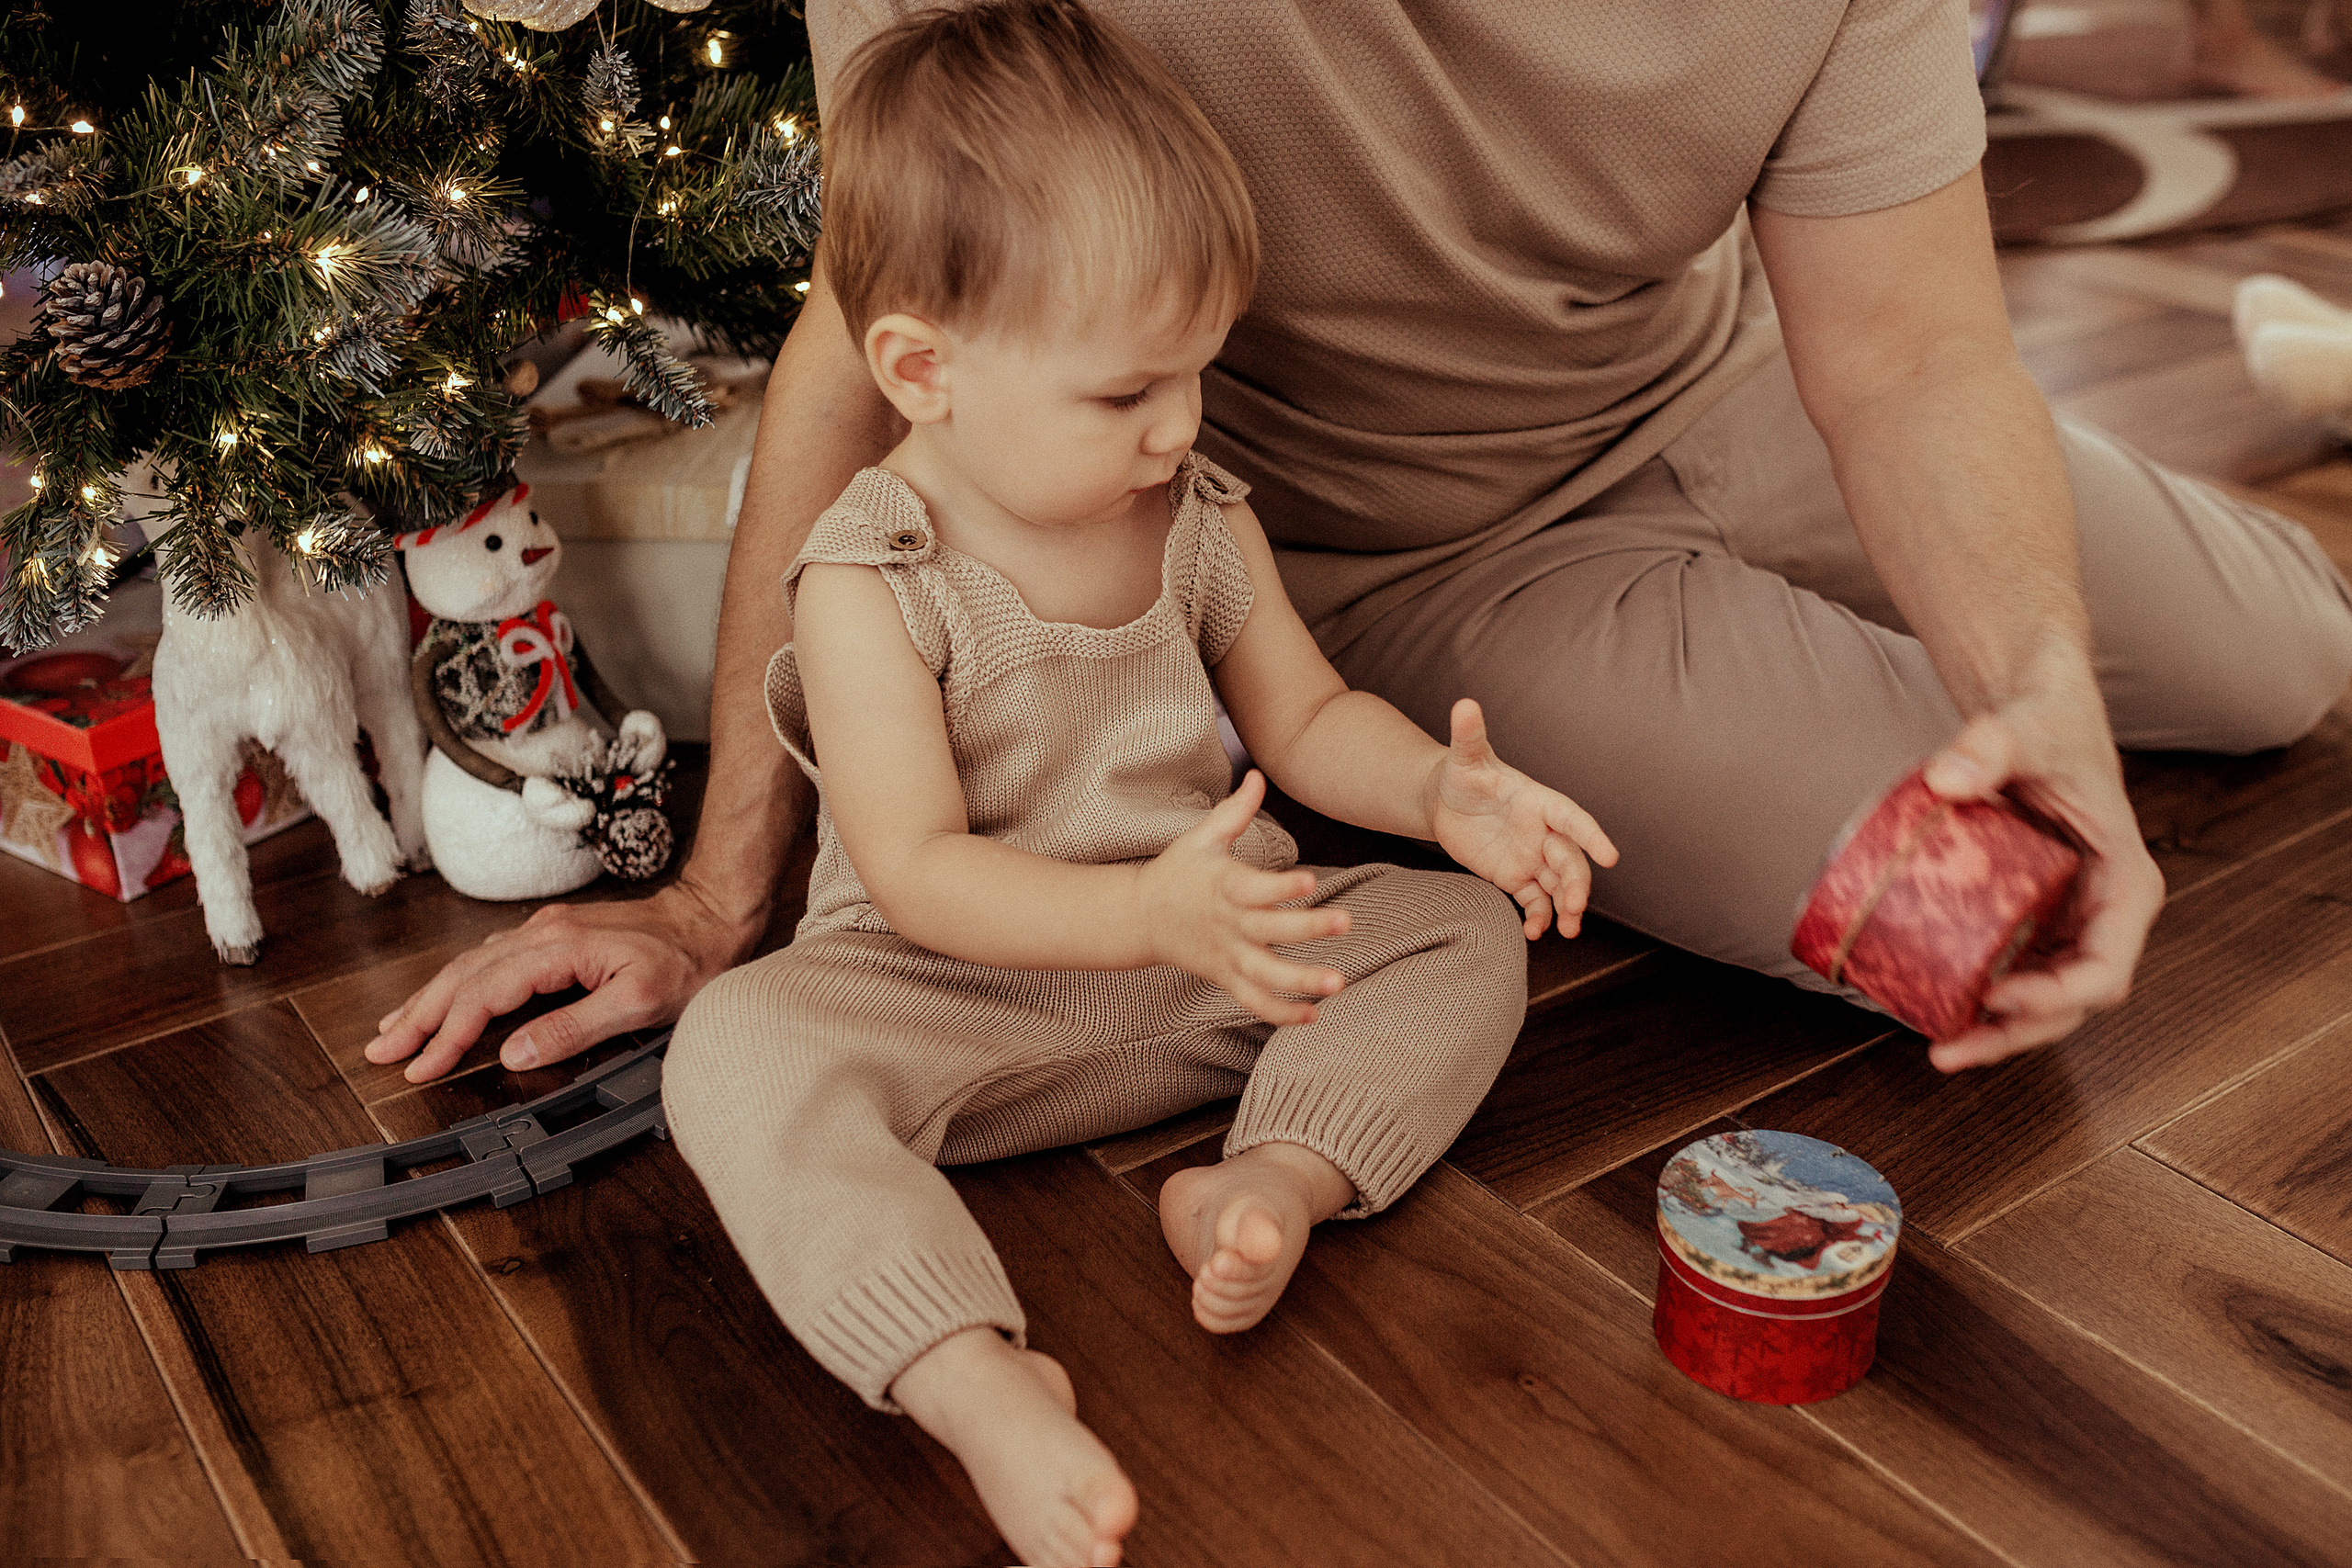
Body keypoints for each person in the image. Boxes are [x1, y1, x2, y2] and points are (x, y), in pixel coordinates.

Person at [367, 0, 2352, 1086]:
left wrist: (2031, 683)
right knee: (1979, 913)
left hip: (1747, 375)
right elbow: (880, 334)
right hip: (1421, 571)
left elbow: (1913, 353)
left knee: (2283, 664)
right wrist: (725, 898)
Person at [645, 7, 1614, 1562]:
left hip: (1203, 976)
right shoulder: (868, 576)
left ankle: (1273, 1179)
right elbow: (917, 870)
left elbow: (1304, 717)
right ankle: (972, 1377)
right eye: (1123, 395)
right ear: (922, 370)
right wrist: (1148, 913)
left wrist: (1442, 794)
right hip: (942, 994)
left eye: (1198, 376)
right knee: (736, 1055)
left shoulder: (1196, 514)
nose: (1178, 425)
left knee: (1456, 934)